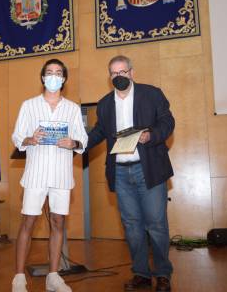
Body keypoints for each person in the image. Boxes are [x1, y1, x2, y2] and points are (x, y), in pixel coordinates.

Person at [87, 55, 175, 292]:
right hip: (121, 173)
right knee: (132, 226)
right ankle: (141, 274)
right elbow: (98, 133)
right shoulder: (105, 104)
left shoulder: (152, 94)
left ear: (132, 72)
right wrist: (77, 144)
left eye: (122, 72)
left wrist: (151, 135)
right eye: (114, 74)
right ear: (110, 77)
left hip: (149, 169)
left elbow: (168, 122)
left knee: (156, 224)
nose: (119, 77)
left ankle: (163, 274)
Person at [11, 59, 88, 292]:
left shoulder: (73, 108)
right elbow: (17, 137)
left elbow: (82, 141)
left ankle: (53, 276)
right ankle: (18, 277)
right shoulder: (29, 105)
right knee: (29, 221)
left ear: (64, 78)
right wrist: (30, 139)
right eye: (49, 72)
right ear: (43, 77)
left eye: (58, 73)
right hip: (35, 173)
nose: (53, 76)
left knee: (58, 222)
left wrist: (72, 142)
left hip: (62, 175)